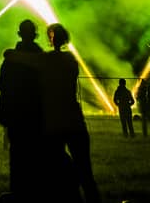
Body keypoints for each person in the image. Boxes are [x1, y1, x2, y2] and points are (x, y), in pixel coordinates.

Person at [42, 23, 101, 203]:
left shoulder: (47, 59)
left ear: (52, 39)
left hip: (55, 118)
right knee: (84, 168)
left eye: (52, 35)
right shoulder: (71, 60)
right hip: (74, 116)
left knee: (56, 164)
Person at [0, 20, 46, 198]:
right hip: (37, 115)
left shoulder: (11, 59)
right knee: (38, 156)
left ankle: (18, 192)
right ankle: (37, 192)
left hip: (16, 115)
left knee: (17, 156)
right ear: (34, 35)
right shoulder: (41, 58)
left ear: (20, 34)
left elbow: (2, 84)